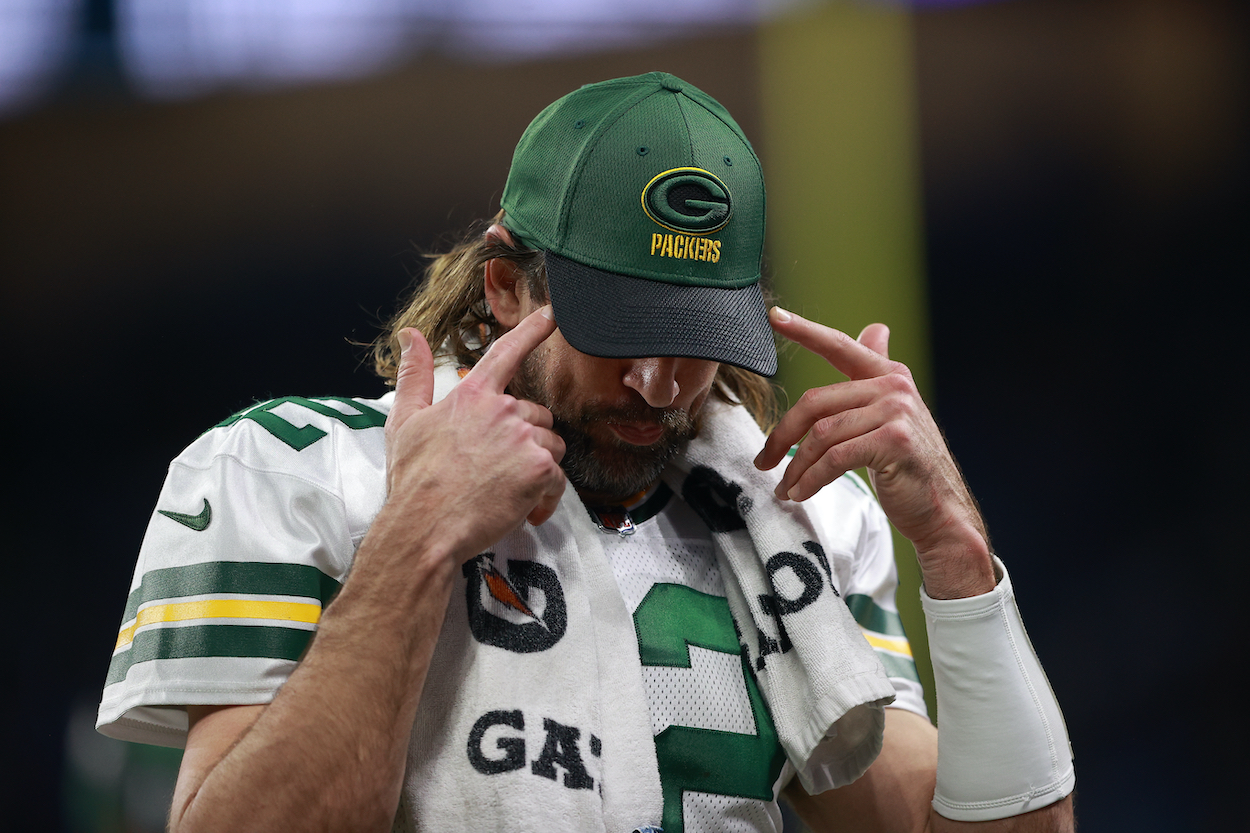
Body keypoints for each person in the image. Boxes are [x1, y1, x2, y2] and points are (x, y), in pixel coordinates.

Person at [97, 72, 1075, 833]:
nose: (658, 384)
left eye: (694, 340)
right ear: (507, 288)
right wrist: (413, 535)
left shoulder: (794, 516)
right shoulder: (287, 473)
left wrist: (951, 548)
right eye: (619, 331)